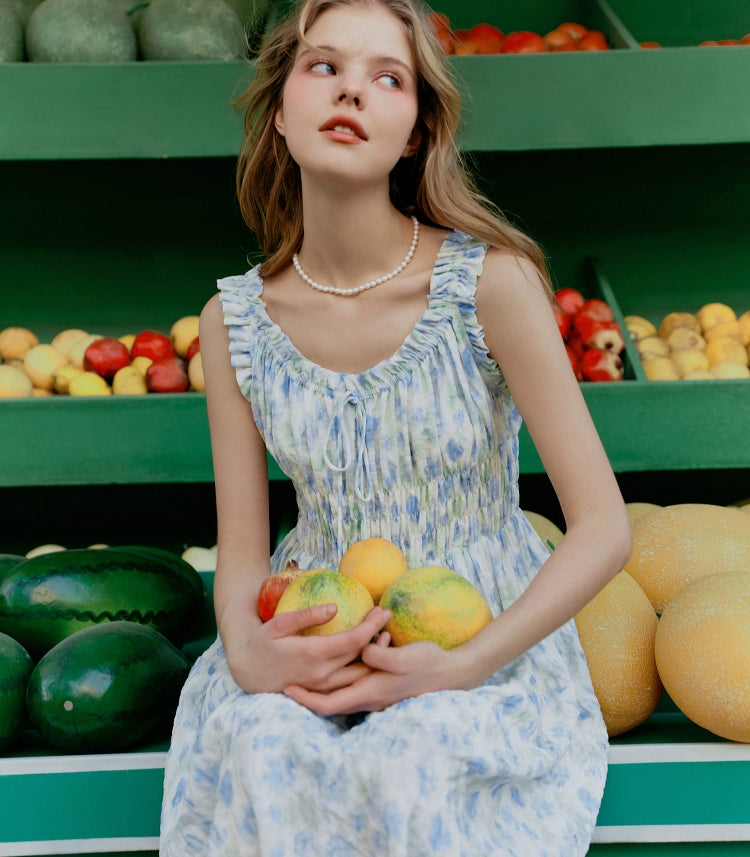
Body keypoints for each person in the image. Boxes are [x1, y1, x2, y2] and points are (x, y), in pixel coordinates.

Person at [159, 0, 632, 853]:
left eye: (388, 77)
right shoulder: (233, 323)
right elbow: (240, 548)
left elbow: (603, 529)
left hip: (477, 636)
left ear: (415, 130)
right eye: (323, 67)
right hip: (316, 629)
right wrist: (248, 654)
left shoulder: (490, 284)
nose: (352, 93)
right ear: (279, 104)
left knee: (418, 750)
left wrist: (466, 664)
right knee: (263, 742)